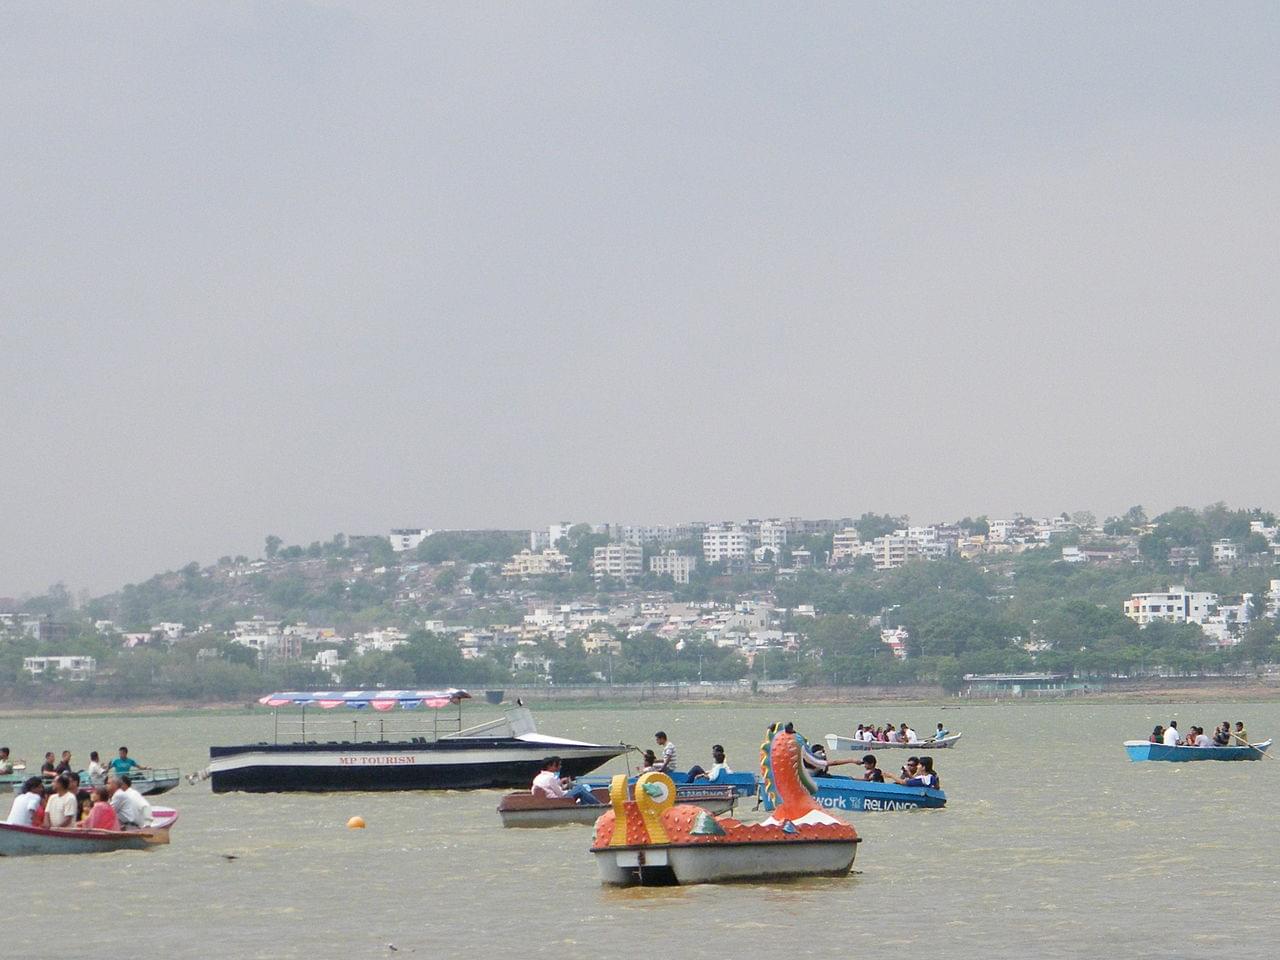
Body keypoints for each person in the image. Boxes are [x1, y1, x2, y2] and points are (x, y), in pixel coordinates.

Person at [530, 757, 602, 805]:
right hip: (555, 801)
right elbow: (560, 794)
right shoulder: (550, 778)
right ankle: (599, 806)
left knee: (578, 790)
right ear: (550, 766)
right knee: (580, 789)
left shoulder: (538, 777)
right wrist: (570, 789)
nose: (560, 767)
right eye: (558, 765)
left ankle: (586, 806)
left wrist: (562, 784)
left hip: (549, 799)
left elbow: (551, 788)